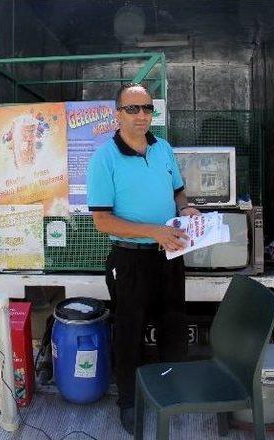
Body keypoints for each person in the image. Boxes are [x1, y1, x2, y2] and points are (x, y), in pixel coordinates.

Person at [87, 83, 200, 434]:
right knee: (129, 331)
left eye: (147, 108)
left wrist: (187, 208)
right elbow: (102, 220)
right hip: (130, 259)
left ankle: (170, 394)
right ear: (117, 114)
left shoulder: (163, 148)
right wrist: (154, 230)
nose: (141, 116)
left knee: (174, 325)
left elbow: (178, 191)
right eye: (132, 109)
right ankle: (129, 402)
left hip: (169, 254)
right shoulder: (103, 158)